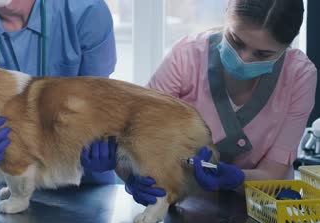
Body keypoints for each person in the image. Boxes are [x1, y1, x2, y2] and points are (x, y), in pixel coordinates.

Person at [122, 0, 318, 205]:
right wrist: (130, 176)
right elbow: (139, 135)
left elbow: (273, 172)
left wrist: (238, 180)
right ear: (226, 13)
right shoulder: (186, 57)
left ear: (288, 44)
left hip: (263, 212)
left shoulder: (299, 76)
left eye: (262, 54)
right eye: (236, 41)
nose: (244, 59)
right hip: (184, 207)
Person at [0, 0, 122, 186]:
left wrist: (124, 164)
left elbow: (99, 105)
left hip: (82, 181)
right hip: (3, 187)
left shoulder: (86, 10)